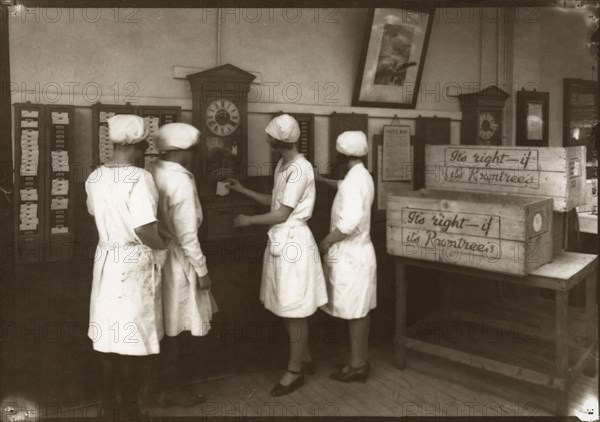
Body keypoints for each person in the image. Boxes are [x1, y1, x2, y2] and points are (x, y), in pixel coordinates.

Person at [227, 114, 327, 397]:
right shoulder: (284, 165)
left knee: (294, 310)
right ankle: (304, 359)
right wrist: (244, 190)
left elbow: (283, 213)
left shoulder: (300, 169)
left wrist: (249, 221)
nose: (266, 139)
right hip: (282, 240)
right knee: (287, 305)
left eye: (269, 136)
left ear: (280, 140)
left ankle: (294, 372)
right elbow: (275, 202)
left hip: (293, 242)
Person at [85, 114, 166, 419]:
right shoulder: (139, 178)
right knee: (131, 338)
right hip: (132, 262)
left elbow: (97, 213)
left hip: (107, 258)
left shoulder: (95, 177)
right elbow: (145, 229)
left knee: (108, 335)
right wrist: (164, 245)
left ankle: (109, 408)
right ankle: (130, 410)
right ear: (142, 145)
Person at [146, 123, 216, 407]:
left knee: (161, 325)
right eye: (192, 151)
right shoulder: (181, 181)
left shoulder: (152, 170)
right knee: (177, 328)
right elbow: (188, 235)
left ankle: (156, 387)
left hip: (156, 257)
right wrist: (203, 271)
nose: (194, 156)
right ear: (181, 152)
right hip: (177, 261)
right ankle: (170, 389)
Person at [318, 131, 377, 383]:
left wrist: (325, 242)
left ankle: (357, 366)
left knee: (356, 312)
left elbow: (349, 223)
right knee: (360, 310)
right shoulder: (362, 175)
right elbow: (343, 187)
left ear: (341, 156)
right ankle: (359, 360)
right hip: (361, 253)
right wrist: (320, 179)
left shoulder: (354, 181)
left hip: (352, 255)